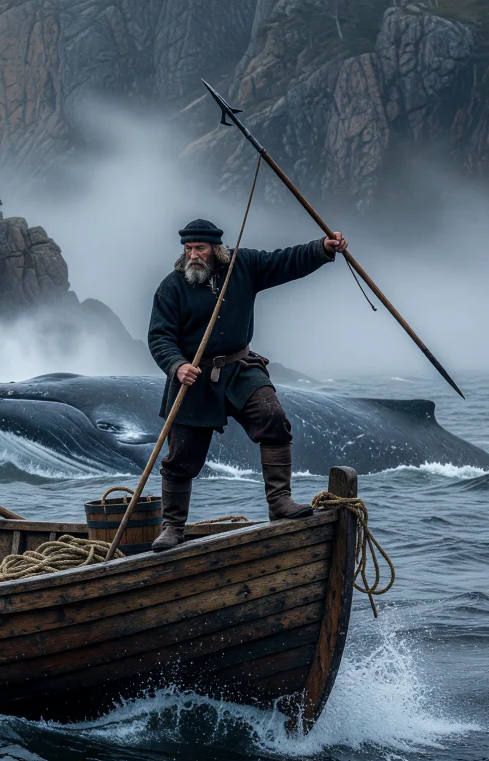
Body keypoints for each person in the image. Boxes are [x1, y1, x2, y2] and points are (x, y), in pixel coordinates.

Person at [147, 218, 347, 551]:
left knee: (273, 418)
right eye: (188, 248)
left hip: (240, 368)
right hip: (194, 377)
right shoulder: (172, 287)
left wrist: (321, 248)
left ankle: (280, 502)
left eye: (199, 248)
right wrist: (177, 365)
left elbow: (286, 261)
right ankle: (172, 527)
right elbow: (159, 336)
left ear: (215, 249)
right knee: (181, 458)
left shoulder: (243, 266)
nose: (193, 255)